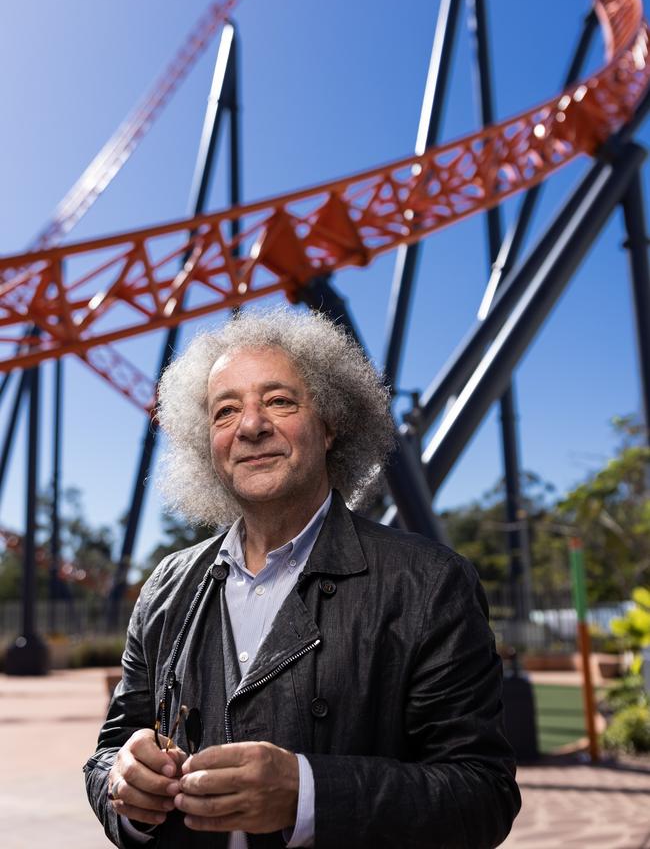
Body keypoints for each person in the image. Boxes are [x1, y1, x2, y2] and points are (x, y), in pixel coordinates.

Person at [85, 305, 520, 848]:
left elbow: (482, 793)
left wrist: (307, 794)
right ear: (207, 445)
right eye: (224, 412)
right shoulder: (168, 586)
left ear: (331, 423)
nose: (250, 425)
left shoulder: (430, 583)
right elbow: (108, 753)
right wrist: (125, 788)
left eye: (279, 400)